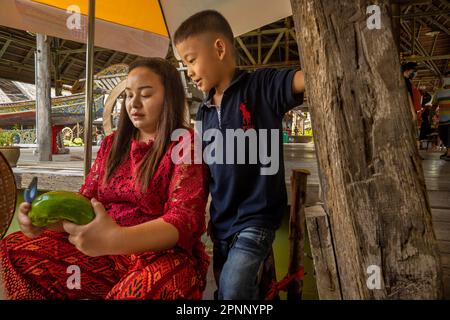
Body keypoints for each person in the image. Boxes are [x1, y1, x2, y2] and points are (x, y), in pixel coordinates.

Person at [0, 58, 210, 299]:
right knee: (15, 250)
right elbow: (83, 205)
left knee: (142, 291)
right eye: (129, 95)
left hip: (160, 256)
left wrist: (117, 238)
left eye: (146, 94)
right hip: (102, 256)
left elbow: (184, 220)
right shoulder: (112, 145)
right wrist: (42, 222)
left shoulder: (185, 144)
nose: (134, 104)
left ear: (169, 97)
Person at [174, 10, 305, 300]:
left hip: (256, 218)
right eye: (185, 64)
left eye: (191, 60)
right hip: (221, 223)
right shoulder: (205, 111)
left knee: (232, 292)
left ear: (219, 48)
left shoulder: (261, 87)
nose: (189, 72)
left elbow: (306, 80)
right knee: (231, 291)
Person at [433, 71, 450, 161]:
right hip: (442, 119)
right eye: (447, 77)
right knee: (443, 136)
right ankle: (448, 151)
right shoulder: (439, 92)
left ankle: (449, 153)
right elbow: (434, 105)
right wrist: (431, 116)